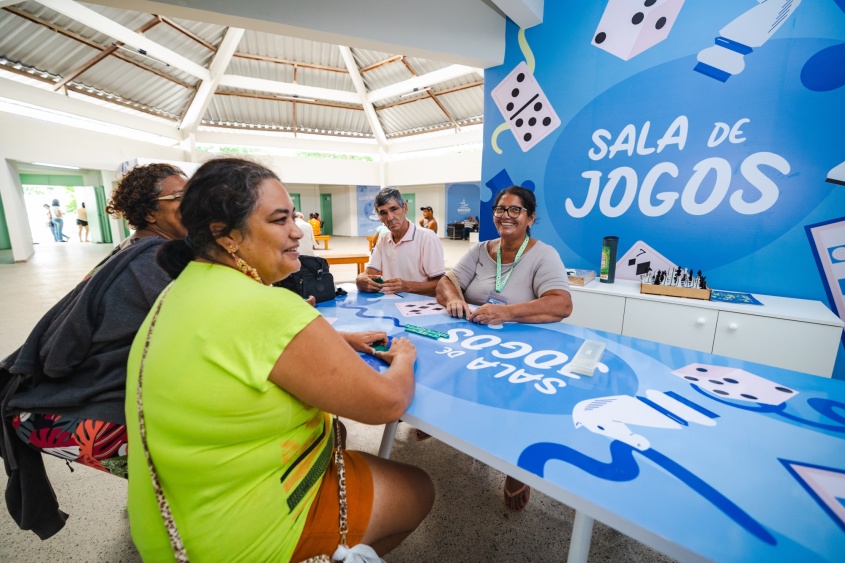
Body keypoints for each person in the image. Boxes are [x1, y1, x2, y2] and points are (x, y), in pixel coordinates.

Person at [125, 158, 434, 562]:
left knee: (342, 442)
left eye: (293, 217)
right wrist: (406, 358)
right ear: (225, 235)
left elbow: (241, 344)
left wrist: (337, 340)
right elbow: (387, 403)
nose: (296, 232)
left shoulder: (178, 290)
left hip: (173, 526)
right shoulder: (268, 307)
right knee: (419, 488)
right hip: (244, 538)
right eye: (278, 220)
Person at [0, 163, 189, 539]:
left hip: (51, 397)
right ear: (151, 212)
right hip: (68, 413)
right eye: (182, 198)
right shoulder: (151, 260)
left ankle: (150, 504)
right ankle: (167, 520)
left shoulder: (140, 247)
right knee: (198, 442)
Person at [435, 186, 573, 511]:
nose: (505, 216)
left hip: (521, 352)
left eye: (515, 210)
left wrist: (505, 312)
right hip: (477, 342)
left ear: (530, 217)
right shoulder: (483, 249)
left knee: (514, 410)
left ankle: (517, 467)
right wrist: (454, 298)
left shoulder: (543, 254)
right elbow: (445, 280)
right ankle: (437, 425)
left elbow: (561, 304)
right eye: (500, 209)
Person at [356, 188, 445, 296]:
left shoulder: (427, 238)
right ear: (379, 217)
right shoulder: (383, 240)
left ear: (405, 208)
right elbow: (369, 274)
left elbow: (441, 284)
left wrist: (406, 286)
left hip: (420, 308)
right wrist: (360, 280)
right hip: (390, 306)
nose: (390, 217)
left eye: (394, 209)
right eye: (383, 213)